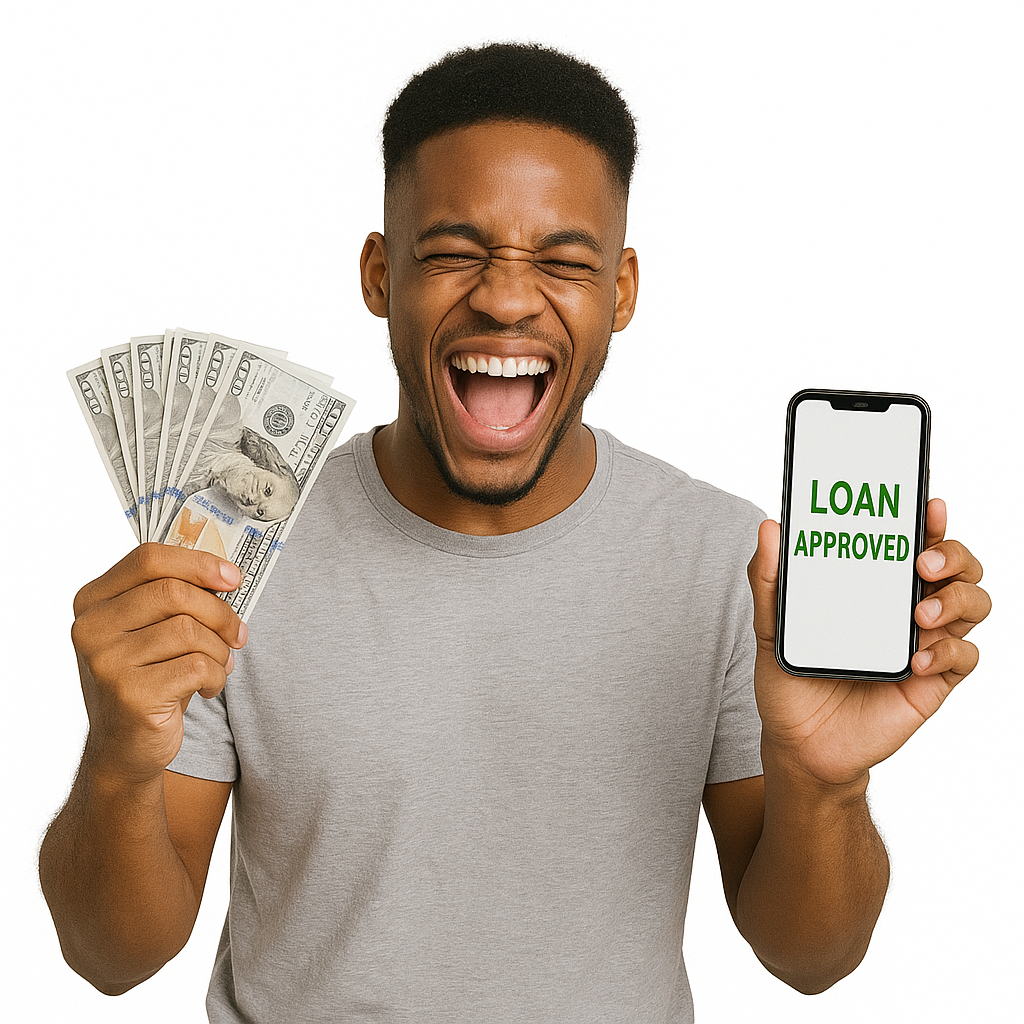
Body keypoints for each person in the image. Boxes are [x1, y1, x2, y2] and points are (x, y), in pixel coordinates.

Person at [40, 43, 991, 1022]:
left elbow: (811, 959)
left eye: (562, 261)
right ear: (380, 272)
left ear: (620, 292)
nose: (503, 296)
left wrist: (822, 780)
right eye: (454, 251)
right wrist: (116, 752)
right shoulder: (232, 538)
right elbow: (112, 958)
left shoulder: (729, 565)